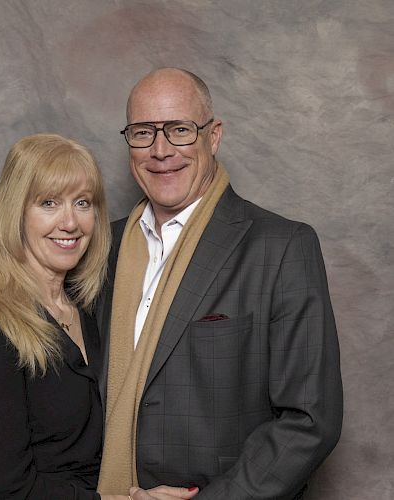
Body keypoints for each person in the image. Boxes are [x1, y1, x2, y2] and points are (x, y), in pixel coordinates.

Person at [96, 69, 343, 499]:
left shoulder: (281, 247)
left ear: (213, 136)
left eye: (178, 130)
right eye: (142, 133)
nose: (160, 150)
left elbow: (309, 419)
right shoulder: (100, 247)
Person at [0, 134, 198, 500]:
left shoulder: (89, 312)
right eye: (49, 203)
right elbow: (6, 490)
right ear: (15, 213)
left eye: (82, 203)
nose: (70, 223)